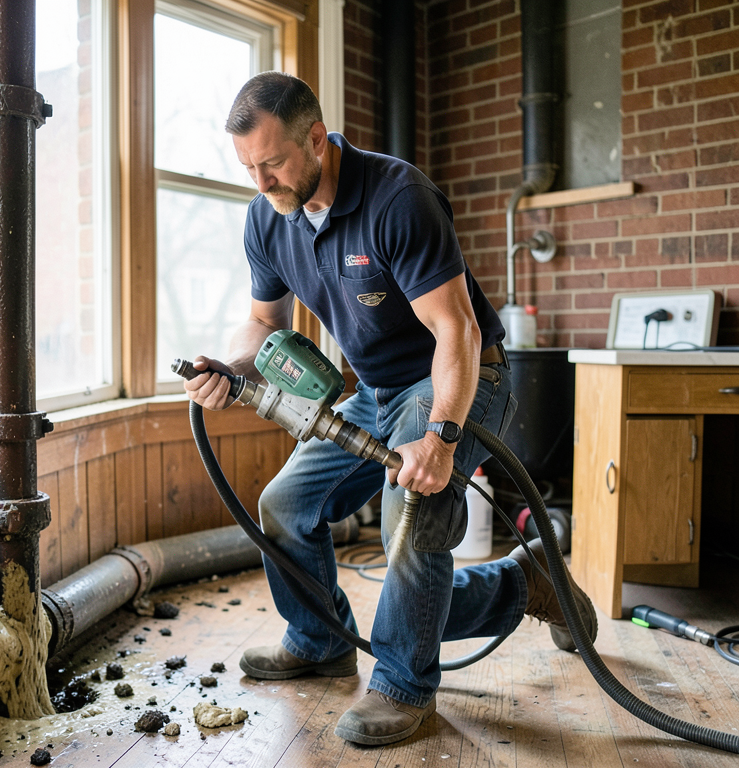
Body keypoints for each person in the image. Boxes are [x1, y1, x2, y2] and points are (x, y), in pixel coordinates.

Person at [183, 71, 597, 746]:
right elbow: (262, 323)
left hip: (460, 378)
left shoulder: (397, 197)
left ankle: (405, 685)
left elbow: (457, 330)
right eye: (248, 168)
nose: (261, 183)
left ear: (316, 139)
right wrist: (230, 369)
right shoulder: (269, 216)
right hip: (374, 391)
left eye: (273, 163)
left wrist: (440, 437)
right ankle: (324, 637)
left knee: (412, 510)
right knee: (284, 505)